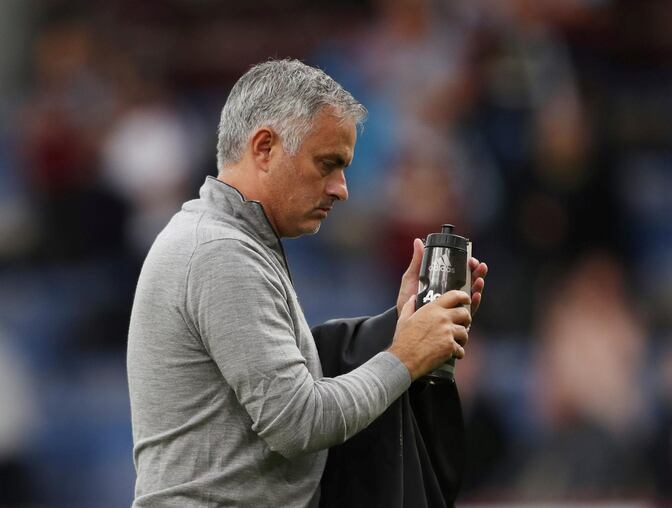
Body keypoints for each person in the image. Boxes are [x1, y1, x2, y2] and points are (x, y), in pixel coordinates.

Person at [127, 59, 488, 507]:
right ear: (264, 148)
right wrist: (404, 358)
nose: (342, 188)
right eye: (327, 164)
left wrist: (403, 325)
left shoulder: (231, 240)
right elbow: (298, 421)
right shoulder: (218, 251)